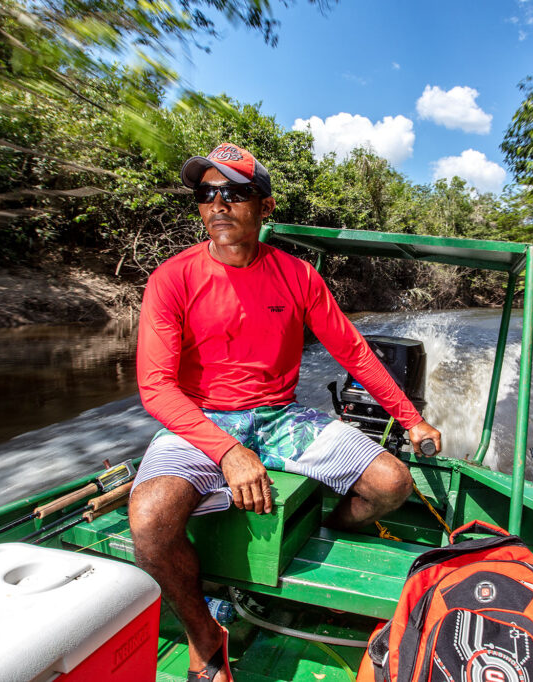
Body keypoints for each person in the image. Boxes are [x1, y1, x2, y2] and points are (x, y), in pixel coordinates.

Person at [128, 142, 442, 682]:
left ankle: (322, 532)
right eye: (207, 193)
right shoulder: (172, 278)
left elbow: (354, 352)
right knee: (151, 520)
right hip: (204, 420)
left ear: (265, 206)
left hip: (281, 417)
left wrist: (409, 419)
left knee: (392, 485)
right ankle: (206, 638)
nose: (219, 204)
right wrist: (228, 453)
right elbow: (156, 388)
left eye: (236, 192)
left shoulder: (297, 276)